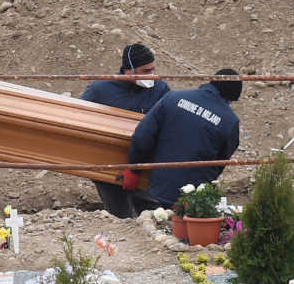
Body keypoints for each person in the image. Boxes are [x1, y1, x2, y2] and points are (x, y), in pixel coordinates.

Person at [122, 69, 242, 209]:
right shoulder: (230, 121)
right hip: (190, 204)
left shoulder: (173, 98)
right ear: (230, 97)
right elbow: (217, 165)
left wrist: (134, 170)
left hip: (154, 193)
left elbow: (142, 136)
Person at [80, 44, 171, 218]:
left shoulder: (160, 89)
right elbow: (81, 117)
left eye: (153, 70)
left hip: (145, 165)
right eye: (145, 71)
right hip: (108, 166)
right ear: (128, 70)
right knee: (120, 216)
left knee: (156, 215)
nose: (151, 75)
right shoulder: (100, 89)